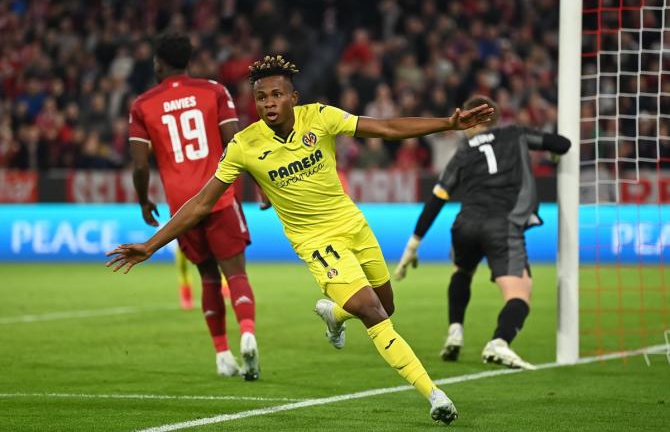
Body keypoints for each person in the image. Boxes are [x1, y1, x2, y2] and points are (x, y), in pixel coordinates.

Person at [108, 55, 493, 424]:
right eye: (261, 97)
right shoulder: (244, 146)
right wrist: (152, 244)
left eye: (277, 95)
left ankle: (334, 312)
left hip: (353, 226)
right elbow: (200, 204)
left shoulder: (321, 117)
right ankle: (434, 395)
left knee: (385, 307)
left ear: (294, 97)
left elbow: (387, 128)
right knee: (374, 313)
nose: (269, 103)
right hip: (316, 243)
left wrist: (449, 123)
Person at [394, 95, 571, 370]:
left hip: (465, 224)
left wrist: (413, 244)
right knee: (519, 295)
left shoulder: (462, 153)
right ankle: (499, 342)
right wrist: (554, 154)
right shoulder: (515, 134)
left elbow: (437, 199)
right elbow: (562, 144)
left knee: (462, 272)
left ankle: (455, 331)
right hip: (502, 224)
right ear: (497, 119)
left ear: (468, 121)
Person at [127, 32, 259, 380]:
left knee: (207, 279)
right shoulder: (214, 91)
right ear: (187, 60)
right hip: (220, 197)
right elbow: (236, 141)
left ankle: (222, 355)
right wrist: (258, 183)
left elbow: (140, 166)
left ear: (159, 62)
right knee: (237, 274)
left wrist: (143, 200)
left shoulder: (142, 104)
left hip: (182, 209)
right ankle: (247, 332)